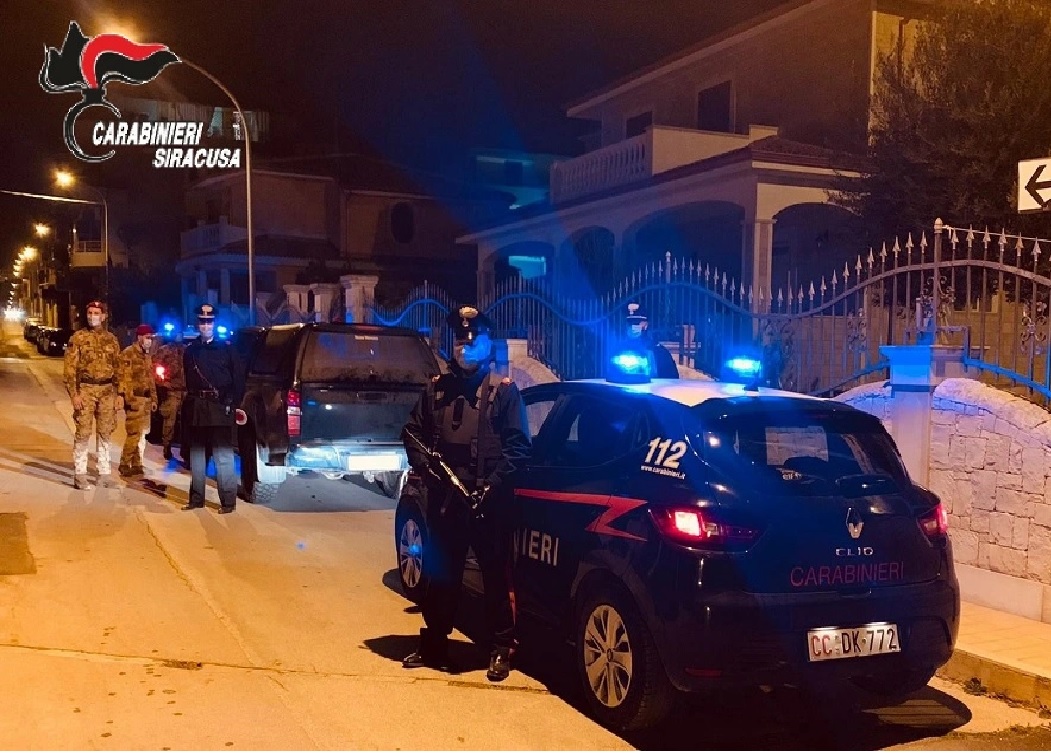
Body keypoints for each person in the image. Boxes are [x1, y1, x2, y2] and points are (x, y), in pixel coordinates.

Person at [401, 305, 531, 682]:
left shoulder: (504, 392)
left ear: (487, 345)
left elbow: (518, 448)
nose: (465, 348)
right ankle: (435, 643)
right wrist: (426, 469)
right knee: (442, 575)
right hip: (447, 500)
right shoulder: (437, 390)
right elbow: (412, 433)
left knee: (495, 577)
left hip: (489, 502)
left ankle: (501, 648)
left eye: (473, 342)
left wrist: (492, 487)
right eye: (460, 342)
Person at [182, 304, 245, 513]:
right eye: (202, 322)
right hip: (198, 408)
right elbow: (188, 379)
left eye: (209, 322)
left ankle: (228, 502)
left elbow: (238, 380)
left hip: (220, 408)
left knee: (223, 457)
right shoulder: (191, 350)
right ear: (198, 324)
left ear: (214, 323)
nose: (206, 326)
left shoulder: (227, 349)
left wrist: (232, 403)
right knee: (197, 457)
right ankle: (196, 499)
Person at [63, 299, 122, 490]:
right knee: (83, 432)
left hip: (107, 391)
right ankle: (80, 474)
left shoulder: (112, 339)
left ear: (104, 316)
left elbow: (119, 368)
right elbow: (70, 369)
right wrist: (74, 394)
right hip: (86, 390)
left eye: (96, 313)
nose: (92, 317)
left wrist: (120, 394)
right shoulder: (78, 338)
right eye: (90, 313)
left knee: (105, 432)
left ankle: (104, 473)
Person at [117, 324, 158, 478]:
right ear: (139, 337)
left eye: (151, 338)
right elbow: (124, 378)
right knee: (133, 433)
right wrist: (130, 400)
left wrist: (153, 398)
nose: (149, 340)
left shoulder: (146, 355)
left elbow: (151, 379)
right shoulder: (129, 353)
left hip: (146, 400)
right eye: (147, 337)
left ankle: (136, 463)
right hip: (136, 399)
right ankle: (124, 463)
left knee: (141, 434)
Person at [616, 302, 679, 379]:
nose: (633, 326)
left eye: (637, 323)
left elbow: (671, 380)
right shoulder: (618, 349)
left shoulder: (659, 352)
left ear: (646, 325)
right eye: (630, 323)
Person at [153, 328, 187, 461]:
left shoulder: (187, 350)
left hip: (186, 391)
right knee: (170, 421)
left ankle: (185, 450)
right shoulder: (164, 350)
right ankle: (167, 447)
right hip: (171, 390)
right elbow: (155, 368)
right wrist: (162, 383)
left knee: (186, 422)